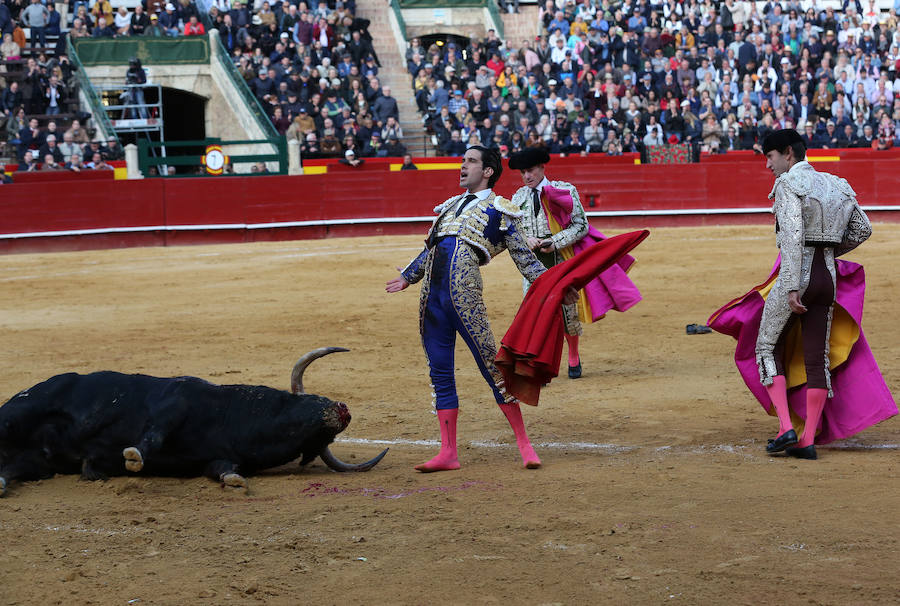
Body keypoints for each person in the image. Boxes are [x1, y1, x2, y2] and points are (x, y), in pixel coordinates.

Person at [385, 146, 573, 473]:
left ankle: (524, 444)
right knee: (439, 372)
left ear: (488, 171)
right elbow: (429, 249)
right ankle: (448, 452)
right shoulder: (449, 207)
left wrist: (556, 286)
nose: (462, 166)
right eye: (462, 161)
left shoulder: (501, 209)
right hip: (432, 297)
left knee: (492, 366)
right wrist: (407, 277)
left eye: (470, 161)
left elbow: (525, 260)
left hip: (464, 294)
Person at [712, 129, 882, 461]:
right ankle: (807, 441)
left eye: (770, 157)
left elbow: (791, 237)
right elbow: (864, 229)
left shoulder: (789, 185)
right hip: (827, 278)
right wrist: (831, 250)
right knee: (816, 358)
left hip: (799, 278)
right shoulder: (838, 184)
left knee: (765, 346)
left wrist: (791, 286)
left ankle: (785, 428)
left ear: (788, 152)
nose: (768, 166)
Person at [508, 148, 642, 379]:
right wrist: (527, 240)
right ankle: (540, 362)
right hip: (533, 265)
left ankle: (573, 355)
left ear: (542, 168)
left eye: (530, 171)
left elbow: (581, 226)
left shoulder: (565, 190)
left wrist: (554, 241)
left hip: (562, 259)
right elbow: (514, 231)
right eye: (523, 172)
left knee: (567, 310)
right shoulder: (518, 197)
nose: (526, 176)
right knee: (536, 312)